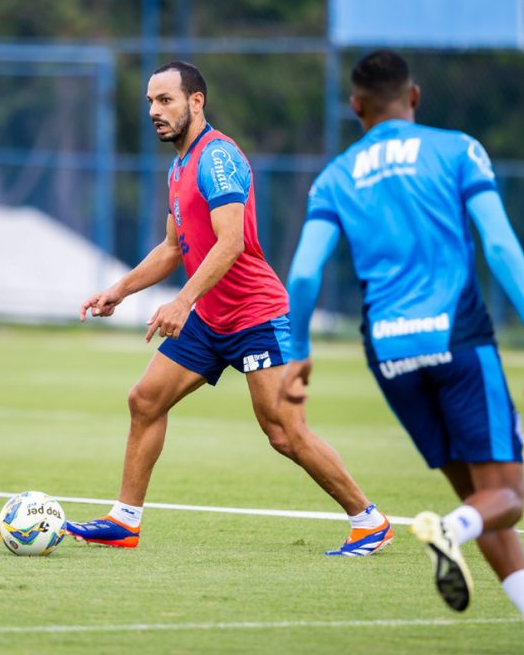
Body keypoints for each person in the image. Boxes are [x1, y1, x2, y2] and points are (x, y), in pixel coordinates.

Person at [278, 50, 524, 654]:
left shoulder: (335, 176)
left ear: (356, 106)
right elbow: (499, 242)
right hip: (457, 340)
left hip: (389, 353)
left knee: (480, 498)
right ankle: (448, 530)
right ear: (413, 96)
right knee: (506, 497)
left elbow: (306, 273)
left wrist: (301, 348)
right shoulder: (457, 150)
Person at [65, 61, 392, 556]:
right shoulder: (179, 166)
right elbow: (172, 248)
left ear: (196, 102)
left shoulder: (217, 156)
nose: (154, 111)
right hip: (210, 318)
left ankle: (369, 521)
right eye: (150, 102)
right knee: (145, 400)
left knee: (283, 432)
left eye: (165, 100)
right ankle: (124, 521)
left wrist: (182, 301)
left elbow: (231, 241)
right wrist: (119, 290)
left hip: (255, 315)